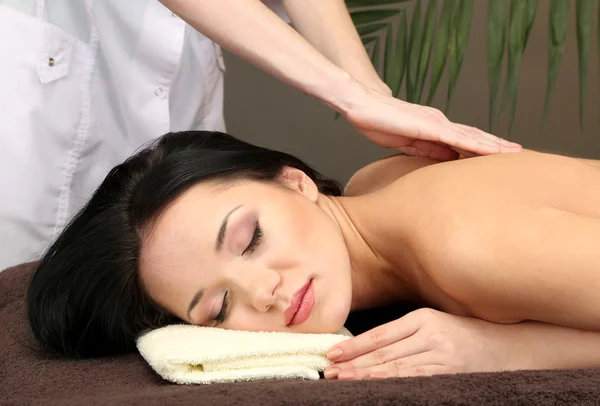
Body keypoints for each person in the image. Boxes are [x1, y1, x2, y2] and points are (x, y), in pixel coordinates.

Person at [27, 130, 600, 381]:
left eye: (250, 238)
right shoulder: (375, 183)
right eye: (220, 308)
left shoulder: (466, 247)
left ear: (296, 183)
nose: (263, 292)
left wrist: (499, 350)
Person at [0, 0, 521, 272]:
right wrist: (354, 97)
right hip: (40, 94)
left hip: (176, 95)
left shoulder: (459, 240)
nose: (269, 295)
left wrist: (374, 95)